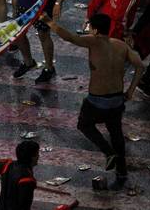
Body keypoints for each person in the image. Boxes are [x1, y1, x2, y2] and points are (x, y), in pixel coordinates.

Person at [47, 13, 144, 189]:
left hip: (97, 101)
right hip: (117, 100)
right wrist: (130, 91)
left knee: (84, 125)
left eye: (90, 26)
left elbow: (69, 37)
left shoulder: (93, 41)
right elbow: (140, 65)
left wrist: (47, 21)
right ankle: (121, 172)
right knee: (116, 135)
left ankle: (108, 153)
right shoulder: (121, 45)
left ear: (95, 29)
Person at [0, 140, 39, 210]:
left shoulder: (7, 165)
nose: (38, 156)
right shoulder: (27, 180)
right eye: (37, 153)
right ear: (32, 157)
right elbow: (24, 206)